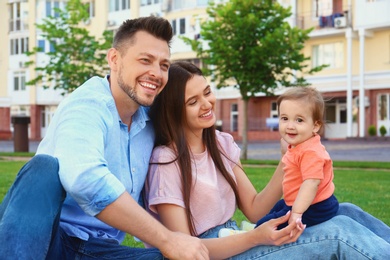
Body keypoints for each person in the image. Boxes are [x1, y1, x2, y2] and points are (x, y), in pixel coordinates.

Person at [0, 17, 208, 260]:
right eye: (145, 60)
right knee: (43, 168)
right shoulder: (86, 106)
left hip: (101, 251)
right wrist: (167, 239)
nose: (156, 73)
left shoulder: (150, 117)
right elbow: (86, 181)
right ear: (114, 59)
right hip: (48, 241)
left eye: (164, 65)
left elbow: (193, 131)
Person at [145, 61, 390, 259]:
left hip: (235, 239)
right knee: (337, 233)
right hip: (213, 253)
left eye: (207, 92)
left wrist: (289, 159)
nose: (207, 103)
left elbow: (254, 209)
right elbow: (183, 249)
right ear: (174, 110)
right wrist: (255, 237)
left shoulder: (220, 144)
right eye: (192, 101)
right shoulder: (166, 161)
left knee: (346, 211)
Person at [255, 87, 339, 229]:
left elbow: (311, 183)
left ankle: (253, 232)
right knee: (276, 208)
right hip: (301, 201)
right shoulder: (301, 145)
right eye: (285, 118)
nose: (290, 126)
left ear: (315, 126)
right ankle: (255, 227)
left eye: (299, 120)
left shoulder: (310, 152)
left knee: (269, 225)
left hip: (314, 207)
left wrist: (297, 213)